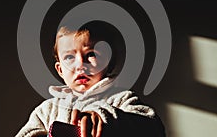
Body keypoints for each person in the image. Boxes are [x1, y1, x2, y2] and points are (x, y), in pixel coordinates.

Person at [15, 23, 165, 137]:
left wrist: (106, 119)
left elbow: (154, 128)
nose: (80, 64)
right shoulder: (46, 110)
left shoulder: (121, 99)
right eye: (69, 57)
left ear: (109, 63)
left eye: (91, 54)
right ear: (60, 70)